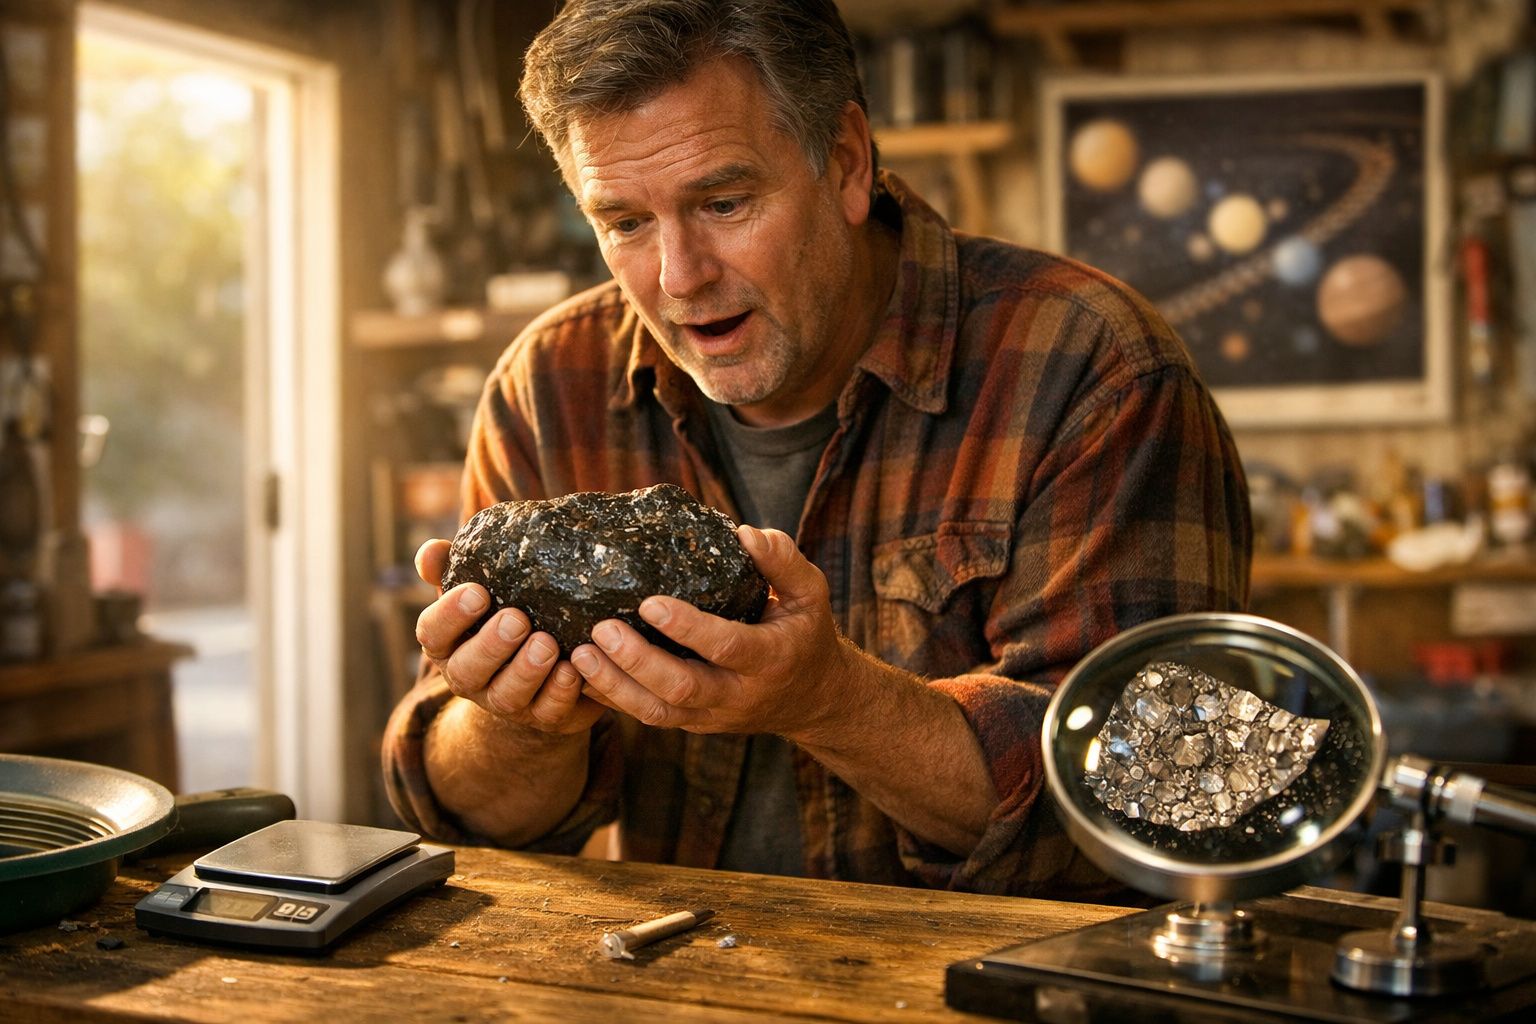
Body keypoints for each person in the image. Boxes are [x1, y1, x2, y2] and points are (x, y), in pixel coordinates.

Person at [383, 0, 1250, 899]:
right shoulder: (548, 386)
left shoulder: (1093, 370)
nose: (680, 278)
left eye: (723, 202)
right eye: (625, 224)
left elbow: (1162, 804)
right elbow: (468, 820)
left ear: (844, 162)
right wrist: (518, 723)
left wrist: (828, 699)